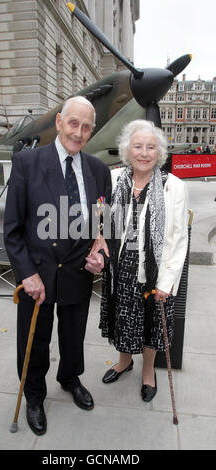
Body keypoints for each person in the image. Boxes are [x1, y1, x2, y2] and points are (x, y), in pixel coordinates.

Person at [4, 96, 112, 435]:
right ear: (59, 122)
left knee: (73, 334)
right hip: (38, 273)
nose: (78, 133)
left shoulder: (99, 171)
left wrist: (102, 258)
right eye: (73, 123)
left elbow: (104, 229)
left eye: (85, 127)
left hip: (78, 274)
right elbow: (13, 230)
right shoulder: (27, 163)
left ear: (91, 130)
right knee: (35, 340)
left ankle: (69, 378)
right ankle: (35, 395)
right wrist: (26, 274)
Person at [97, 119, 188, 402]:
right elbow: (100, 219)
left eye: (151, 147)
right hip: (121, 266)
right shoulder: (113, 180)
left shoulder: (174, 186)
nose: (144, 153)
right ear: (128, 149)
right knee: (122, 319)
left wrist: (168, 281)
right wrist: (98, 237)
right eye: (138, 146)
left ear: (159, 152)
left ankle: (148, 370)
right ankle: (125, 361)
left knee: (151, 324)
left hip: (156, 271)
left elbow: (178, 238)